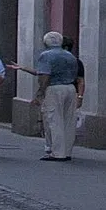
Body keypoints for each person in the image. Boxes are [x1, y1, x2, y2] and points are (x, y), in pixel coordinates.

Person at [35, 29, 79, 161]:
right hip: (70, 88)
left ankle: (57, 152)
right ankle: (67, 151)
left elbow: (45, 75)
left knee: (54, 120)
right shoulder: (70, 56)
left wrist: (40, 92)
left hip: (54, 87)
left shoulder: (46, 55)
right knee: (69, 120)